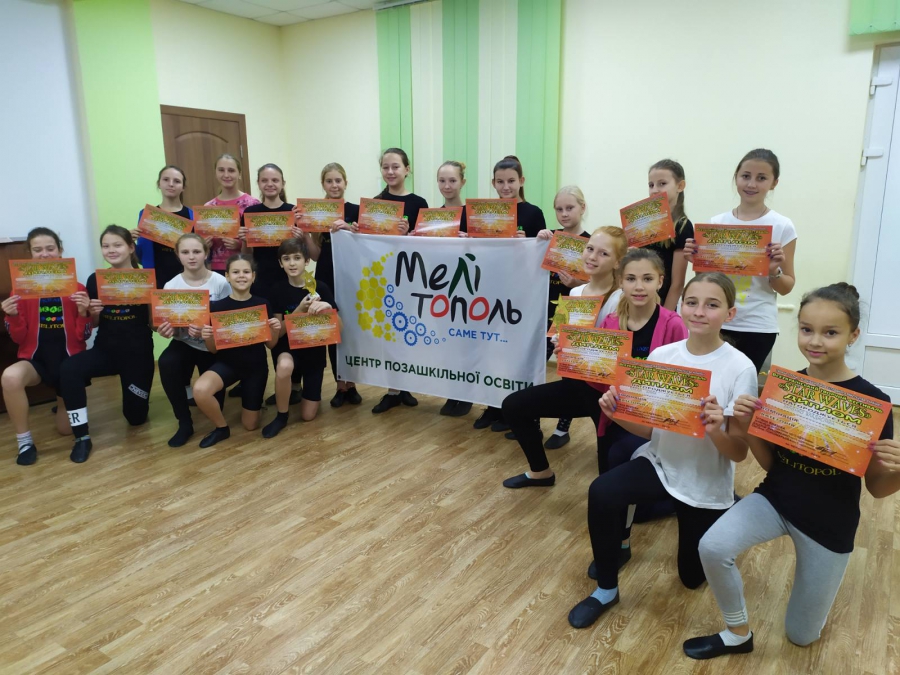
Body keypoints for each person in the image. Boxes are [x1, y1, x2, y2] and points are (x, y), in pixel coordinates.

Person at [683, 283, 900, 659]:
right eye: (806, 329)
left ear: (853, 335)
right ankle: (737, 633)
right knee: (713, 546)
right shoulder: (782, 388)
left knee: (801, 635)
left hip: (830, 520)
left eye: (830, 332)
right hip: (776, 497)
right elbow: (772, 465)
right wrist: (749, 428)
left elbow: (878, 489)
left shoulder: (873, 403)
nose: (815, 341)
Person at [567, 273, 757, 629]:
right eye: (692, 302)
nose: (699, 312)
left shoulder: (740, 368)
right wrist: (616, 415)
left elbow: (738, 453)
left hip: (705, 481)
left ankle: (720, 512)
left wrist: (715, 429)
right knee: (602, 491)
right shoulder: (662, 355)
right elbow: (650, 430)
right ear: (681, 305)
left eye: (712, 305)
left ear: (730, 314)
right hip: (661, 464)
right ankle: (606, 589)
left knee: (691, 577)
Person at [586, 248, 687, 579]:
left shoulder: (673, 324)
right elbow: (601, 380)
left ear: (661, 281)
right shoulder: (611, 322)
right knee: (609, 483)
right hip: (616, 416)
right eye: (630, 279)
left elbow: (684, 382)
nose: (639, 286)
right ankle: (620, 537)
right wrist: (579, 359)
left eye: (647, 278)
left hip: (654, 423)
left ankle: (623, 542)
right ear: (620, 282)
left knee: (620, 467)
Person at [500, 226, 627, 489]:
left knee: (607, 478)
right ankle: (540, 472)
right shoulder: (575, 293)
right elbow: (560, 332)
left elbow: (622, 352)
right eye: (590, 249)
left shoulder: (621, 299)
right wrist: (560, 343)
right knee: (513, 406)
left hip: (606, 393)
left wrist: (581, 348)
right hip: (575, 385)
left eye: (603, 253)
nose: (592, 256)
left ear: (617, 262)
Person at [684, 149, 796, 373]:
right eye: (746, 176)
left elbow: (787, 287)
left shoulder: (782, 226)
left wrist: (773, 271)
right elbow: (709, 282)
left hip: (757, 326)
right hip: (717, 320)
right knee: (712, 382)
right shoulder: (717, 223)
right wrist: (696, 261)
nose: (751, 184)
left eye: (761, 178)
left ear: (774, 183)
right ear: (736, 177)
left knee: (743, 386)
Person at [61, 226, 156, 463]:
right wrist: (90, 312)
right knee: (69, 369)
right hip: (106, 351)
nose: (111, 250)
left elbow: (153, 324)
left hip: (138, 354)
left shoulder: (146, 278)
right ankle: (82, 437)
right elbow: (93, 324)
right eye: (106, 246)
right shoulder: (95, 280)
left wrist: (164, 319)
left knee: (136, 418)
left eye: (117, 245)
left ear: (131, 248)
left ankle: (135, 396)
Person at [1, 228, 91, 465]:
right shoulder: (20, 291)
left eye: (50, 248)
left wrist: (84, 313)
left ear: (60, 251)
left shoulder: (78, 288)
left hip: (69, 364)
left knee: (66, 430)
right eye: (37, 250)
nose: (44, 254)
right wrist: (11, 316)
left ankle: (62, 402)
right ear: (30, 254)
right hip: (36, 361)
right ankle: (24, 442)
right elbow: (19, 339)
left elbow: (83, 337)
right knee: (10, 377)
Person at [473, 155, 548, 432]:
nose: (506, 187)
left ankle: (511, 409)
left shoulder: (533, 212)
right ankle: (491, 406)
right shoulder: (484, 213)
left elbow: (541, 254)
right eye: (500, 182)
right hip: (486, 291)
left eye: (511, 181)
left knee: (512, 352)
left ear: (521, 181)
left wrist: (528, 243)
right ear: (493, 183)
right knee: (488, 350)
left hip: (519, 293)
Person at [364, 148, 429, 415]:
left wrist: (409, 234)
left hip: (410, 276)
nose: (390, 172)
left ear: (407, 169)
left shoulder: (419, 202)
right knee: (388, 334)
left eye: (395, 166)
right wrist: (355, 230)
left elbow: (427, 242)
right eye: (385, 167)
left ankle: (405, 387)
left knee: (406, 334)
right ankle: (392, 390)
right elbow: (367, 241)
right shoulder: (375, 203)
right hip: (383, 276)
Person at [194, 255, 281, 447]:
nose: (241, 276)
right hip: (227, 365)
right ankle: (221, 428)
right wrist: (207, 336)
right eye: (236, 272)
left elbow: (271, 345)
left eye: (246, 272)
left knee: (250, 425)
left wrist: (274, 330)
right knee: (200, 390)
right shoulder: (216, 307)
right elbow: (213, 350)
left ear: (253, 276)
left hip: (255, 368)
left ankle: (255, 403)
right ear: (227, 276)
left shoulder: (263, 304)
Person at [156, 233, 232, 448]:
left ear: (206, 253)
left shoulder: (220, 282)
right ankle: (184, 422)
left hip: (212, 346)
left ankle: (217, 422)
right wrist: (166, 330)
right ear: (178, 255)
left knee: (215, 403)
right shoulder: (171, 286)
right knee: (167, 362)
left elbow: (227, 321)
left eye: (197, 251)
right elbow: (167, 323)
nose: (191, 257)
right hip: (185, 343)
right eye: (185, 252)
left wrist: (207, 330)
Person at [297, 162, 362, 408]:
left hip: (352, 274)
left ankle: (352, 384)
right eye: (329, 181)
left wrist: (349, 230)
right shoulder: (316, 211)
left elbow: (366, 246)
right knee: (332, 326)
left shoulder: (356, 211)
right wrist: (305, 232)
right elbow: (315, 255)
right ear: (323, 184)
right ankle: (340, 385)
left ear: (345, 182)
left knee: (350, 329)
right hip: (326, 276)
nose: (334, 185)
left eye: (338, 180)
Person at [261, 238, 336, 438]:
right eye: (286, 259)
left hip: (314, 353)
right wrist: (299, 310)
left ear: (307, 261)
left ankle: (298, 392)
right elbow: (278, 333)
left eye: (297, 258)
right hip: (287, 348)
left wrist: (329, 308)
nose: (292, 263)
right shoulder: (277, 290)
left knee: (308, 416)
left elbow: (340, 328)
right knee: (284, 366)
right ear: (280, 263)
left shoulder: (321, 288)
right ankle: (281, 415)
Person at [134, 165, 193, 288]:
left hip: (187, 279)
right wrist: (128, 241)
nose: (171, 184)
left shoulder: (192, 216)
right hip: (156, 280)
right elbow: (140, 257)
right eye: (166, 179)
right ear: (159, 184)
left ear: (183, 187)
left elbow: (200, 253)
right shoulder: (147, 215)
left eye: (177, 181)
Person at [644, 159, 692, 310]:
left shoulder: (683, 226)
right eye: (651, 185)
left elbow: (677, 284)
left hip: (663, 304)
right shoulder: (643, 224)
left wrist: (665, 317)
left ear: (680, 186)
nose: (654, 190)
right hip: (638, 300)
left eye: (662, 183)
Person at [204, 153, 260, 275]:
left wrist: (239, 244)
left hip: (244, 268)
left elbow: (261, 241)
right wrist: (204, 245)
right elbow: (203, 249)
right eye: (221, 170)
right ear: (216, 173)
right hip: (217, 269)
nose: (226, 175)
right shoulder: (208, 207)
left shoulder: (253, 204)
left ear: (239, 174)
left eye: (231, 170)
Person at [243, 163, 293, 299]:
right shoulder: (250, 213)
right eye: (264, 180)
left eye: (275, 180)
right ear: (258, 183)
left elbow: (300, 251)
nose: (270, 184)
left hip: (288, 276)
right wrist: (244, 240)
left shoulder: (293, 211)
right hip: (260, 276)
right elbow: (247, 255)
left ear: (283, 184)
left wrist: (300, 237)